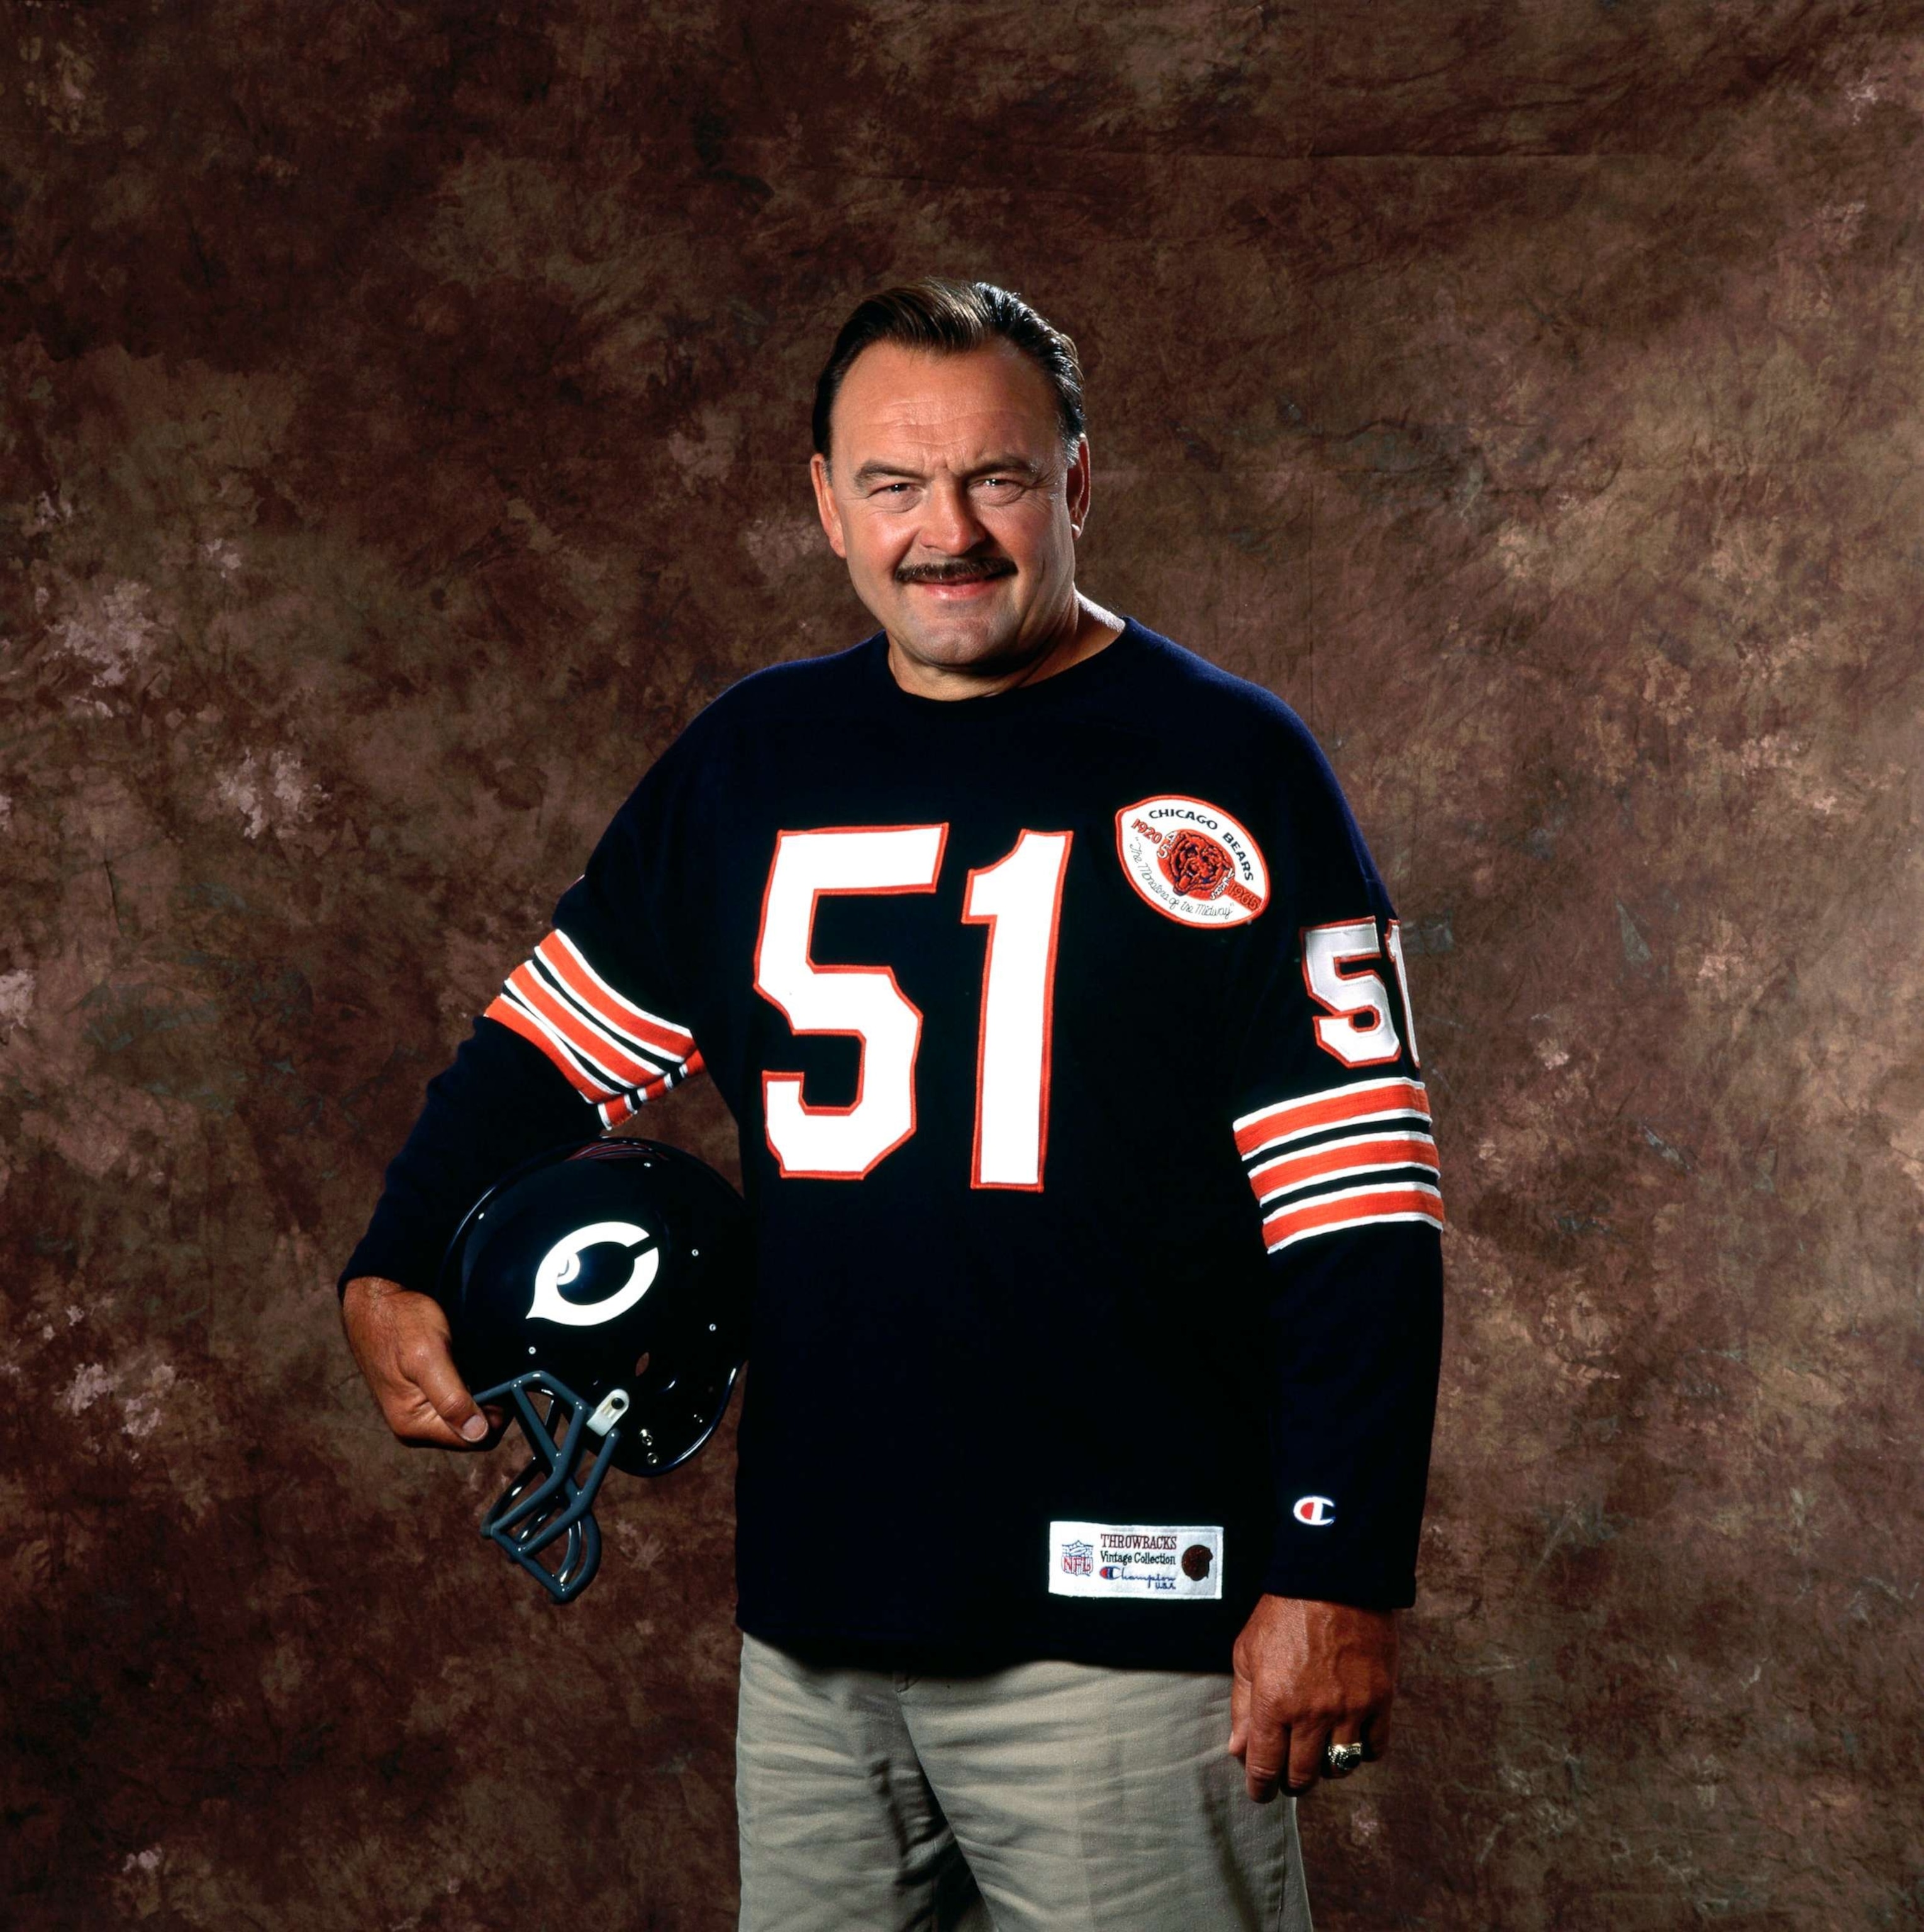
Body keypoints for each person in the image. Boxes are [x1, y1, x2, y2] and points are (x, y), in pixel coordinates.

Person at [339, 277, 1444, 1931]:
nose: (948, 533)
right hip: (818, 1629)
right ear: (823, 506)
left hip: (1122, 1636)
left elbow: (1359, 1213)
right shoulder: (750, 761)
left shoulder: (1230, 765)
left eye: (996, 479)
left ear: (1073, 485)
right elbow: (546, 1049)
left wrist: (1334, 1561)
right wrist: (392, 1260)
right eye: (892, 485)